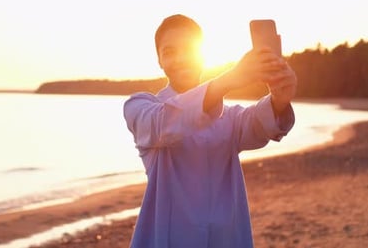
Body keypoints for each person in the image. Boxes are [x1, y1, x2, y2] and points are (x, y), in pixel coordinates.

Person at [123, 14, 297, 248]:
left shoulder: (230, 117)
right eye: (169, 51)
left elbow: (258, 123)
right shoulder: (139, 107)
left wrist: (279, 98)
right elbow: (162, 124)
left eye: (188, 49)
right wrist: (227, 81)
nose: (180, 58)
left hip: (225, 238)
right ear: (159, 60)